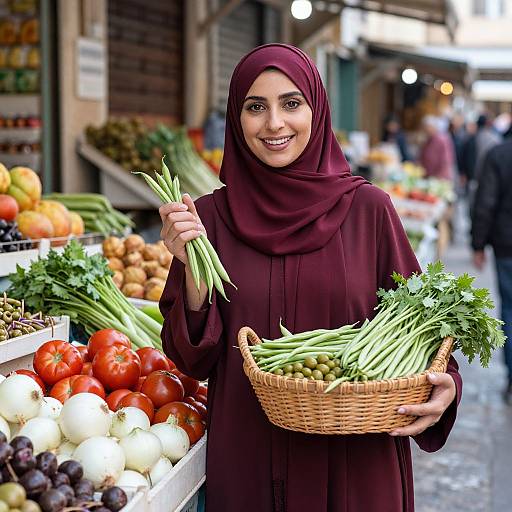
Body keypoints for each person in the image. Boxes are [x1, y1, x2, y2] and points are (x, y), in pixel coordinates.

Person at [158, 44, 461, 512]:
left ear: (317, 111)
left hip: (356, 462)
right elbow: (191, 360)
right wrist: (194, 271)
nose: (274, 123)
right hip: (249, 460)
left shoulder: (369, 211)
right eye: (255, 107)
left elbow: (427, 327)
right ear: (236, 121)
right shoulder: (208, 220)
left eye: (291, 103)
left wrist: (446, 387)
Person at [471, 140, 512, 402]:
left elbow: (485, 201)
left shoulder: (498, 153)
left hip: (507, 245)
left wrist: (478, 243)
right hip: (506, 244)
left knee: (510, 307)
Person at [418, 115, 455, 181]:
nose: (425, 130)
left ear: (433, 127)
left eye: (427, 127)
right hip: (429, 175)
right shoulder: (428, 139)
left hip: (440, 177)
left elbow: (446, 160)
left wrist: (439, 176)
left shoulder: (442, 139)